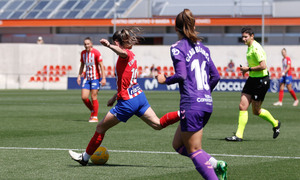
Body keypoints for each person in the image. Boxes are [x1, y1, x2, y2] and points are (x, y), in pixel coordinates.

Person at [69, 28, 180, 166]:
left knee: (100, 128)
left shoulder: (125, 54)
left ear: (116, 42)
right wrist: (115, 96)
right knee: (157, 124)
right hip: (139, 96)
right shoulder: (132, 55)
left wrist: (109, 46)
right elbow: (126, 80)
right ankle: (184, 113)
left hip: (128, 102)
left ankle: (84, 158)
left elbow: (122, 52)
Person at [156, 9, 227, 180]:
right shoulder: (204, 49)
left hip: (192, 104)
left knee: (194, 150)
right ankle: (216, 164)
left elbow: (181, 75)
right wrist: (204, 94)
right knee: (178, 145)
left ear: (175, 28)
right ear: (194, 25)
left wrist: (165, 80)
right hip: (206, 103)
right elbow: (216, 76)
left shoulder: (176, 48)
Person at [225, 27, 281, 142]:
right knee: (242, 106)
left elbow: (263, 66)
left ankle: (275, 123)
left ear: (252, 36)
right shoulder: (249, 47)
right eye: (242, 37)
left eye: (246, 37)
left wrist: (248, 68)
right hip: (252, 79)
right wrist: (247, 71)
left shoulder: (256, 48)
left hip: (261, 81)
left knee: (256, 111)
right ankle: (239, 135)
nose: (244, 39)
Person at [77, 37, 106, 122]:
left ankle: (95, 117)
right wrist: (79, 76)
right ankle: (93, 110)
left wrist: (103, 78)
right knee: (84, 97)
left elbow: (101, 66)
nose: (86, 45)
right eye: (85, 44)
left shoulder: (96, 53)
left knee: (93, 96)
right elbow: (82, 65)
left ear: (91, 44)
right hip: (86, 78)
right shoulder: (83, 53)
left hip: (95, 78)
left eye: (88, 44)